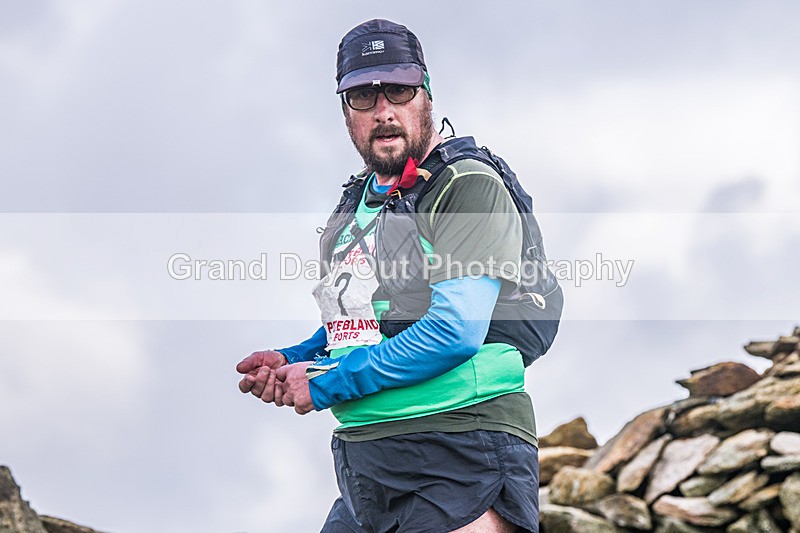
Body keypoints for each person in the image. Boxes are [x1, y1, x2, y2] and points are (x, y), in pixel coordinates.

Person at [237, 19, 543, 533]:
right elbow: (366, 325)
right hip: (365, 467)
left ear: (426, 94)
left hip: (461, 454)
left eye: (398, 90)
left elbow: (454, 330)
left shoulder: (466, 186)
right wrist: (298, 360)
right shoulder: (354, 206)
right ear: (345, 111)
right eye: (362, 95)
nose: (383, 111)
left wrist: (330, 384)